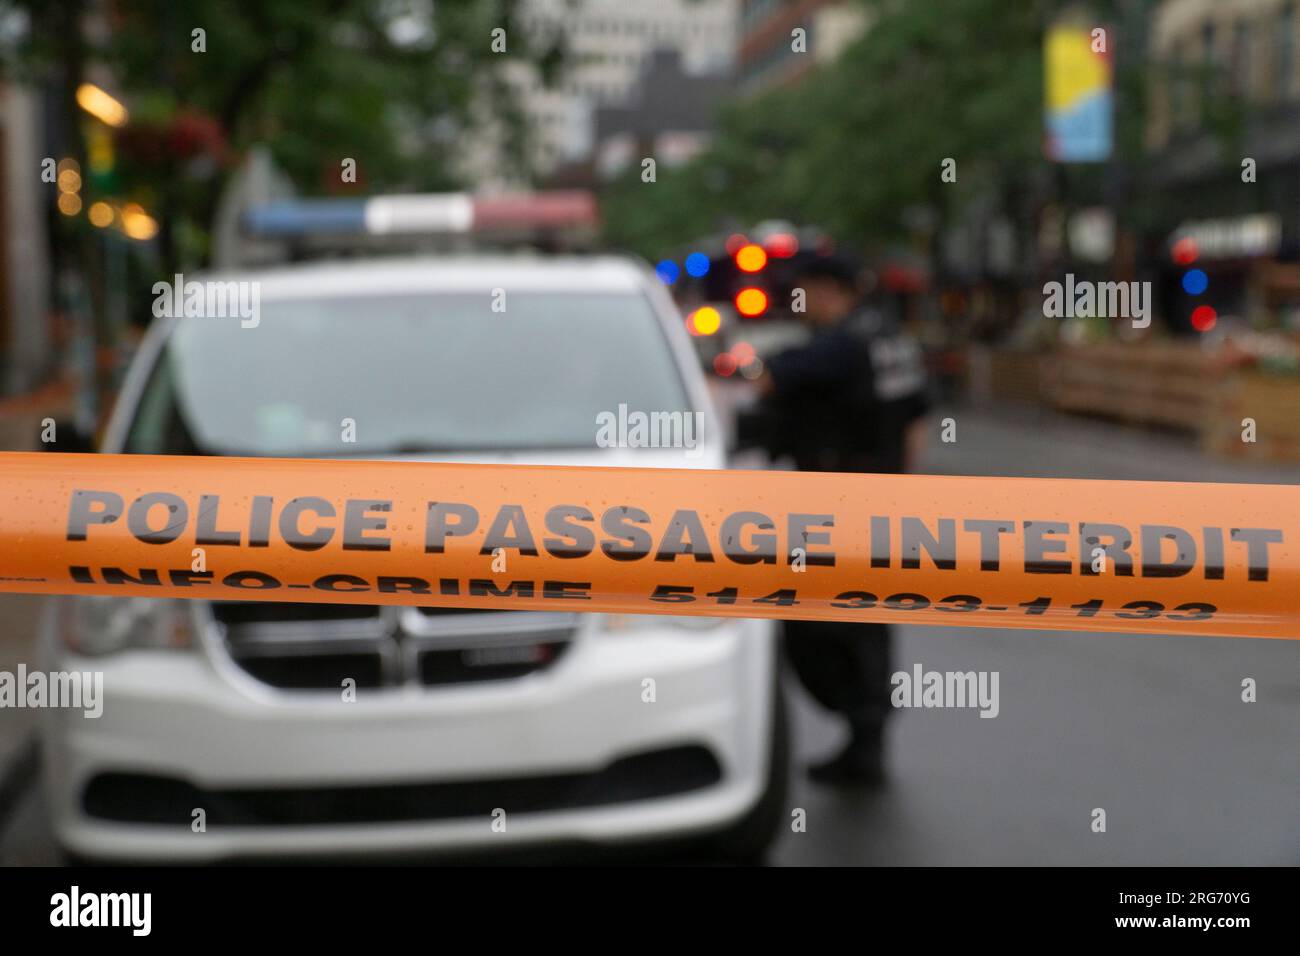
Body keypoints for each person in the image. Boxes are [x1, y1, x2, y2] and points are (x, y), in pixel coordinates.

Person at [743, 251, 930, 785]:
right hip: (879, 501)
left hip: (837, 508)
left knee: (817, 622)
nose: (801, 305)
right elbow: (916, 418)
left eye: (805, 292)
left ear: (828, 289)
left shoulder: (842, 344)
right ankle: (865, 740)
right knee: (867, 623)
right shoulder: (890, 338)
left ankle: (860, 730)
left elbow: (766, 381)